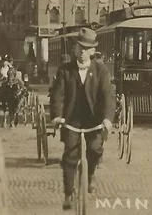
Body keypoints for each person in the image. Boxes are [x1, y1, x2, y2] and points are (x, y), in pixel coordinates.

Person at [50, 27, 114, 211]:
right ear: (75, 48)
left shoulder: (100, 70)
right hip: (71, 120)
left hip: (94, 120)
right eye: (79, 47)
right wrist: (57, 116)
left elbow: (107, 96)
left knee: (94, 149)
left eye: (86, 49)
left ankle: (90, 173)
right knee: (70, 155)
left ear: (93, 51)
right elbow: (58, 95)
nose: (82, 52)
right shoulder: (65, 70)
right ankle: (69, 193)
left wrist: (108, 119)